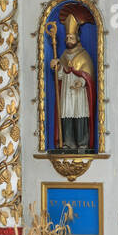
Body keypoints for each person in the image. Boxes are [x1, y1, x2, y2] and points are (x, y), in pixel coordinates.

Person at [50, 12, 96, 154]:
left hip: (79, 94)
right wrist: (56, 67)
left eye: (71, 37)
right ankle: (68, 144)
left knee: (80, 116)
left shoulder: (84, 54)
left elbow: (89, 75)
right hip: (66, 93)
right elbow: (60, 76)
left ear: (77, 38)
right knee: (66, 116)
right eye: (67, 37)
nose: (69, 39)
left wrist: (82, 82)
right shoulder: (63, 55)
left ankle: (82, 143)